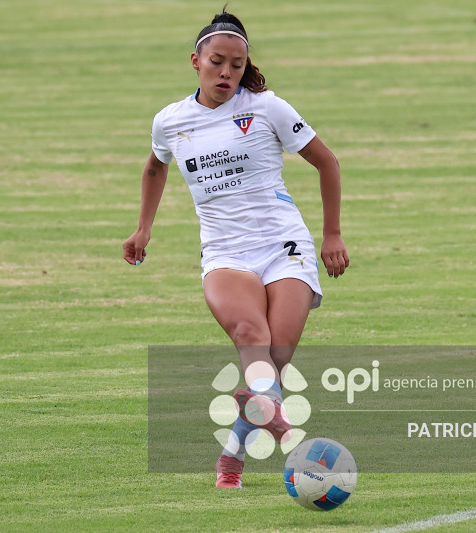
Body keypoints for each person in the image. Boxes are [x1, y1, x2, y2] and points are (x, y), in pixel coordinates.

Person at [123, 9, 349, 489]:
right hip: (225, 253)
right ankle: (292, 439)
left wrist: (332, 234)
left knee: (275, 360)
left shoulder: (268, 107)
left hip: (283, 244)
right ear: (196, 61)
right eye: (217, 63)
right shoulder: (170, 121)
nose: (227, 73)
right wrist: (143, 228)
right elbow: (154, 167)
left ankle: (231, 457)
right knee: (251, 336)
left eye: (237, 65)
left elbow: (327, 162)